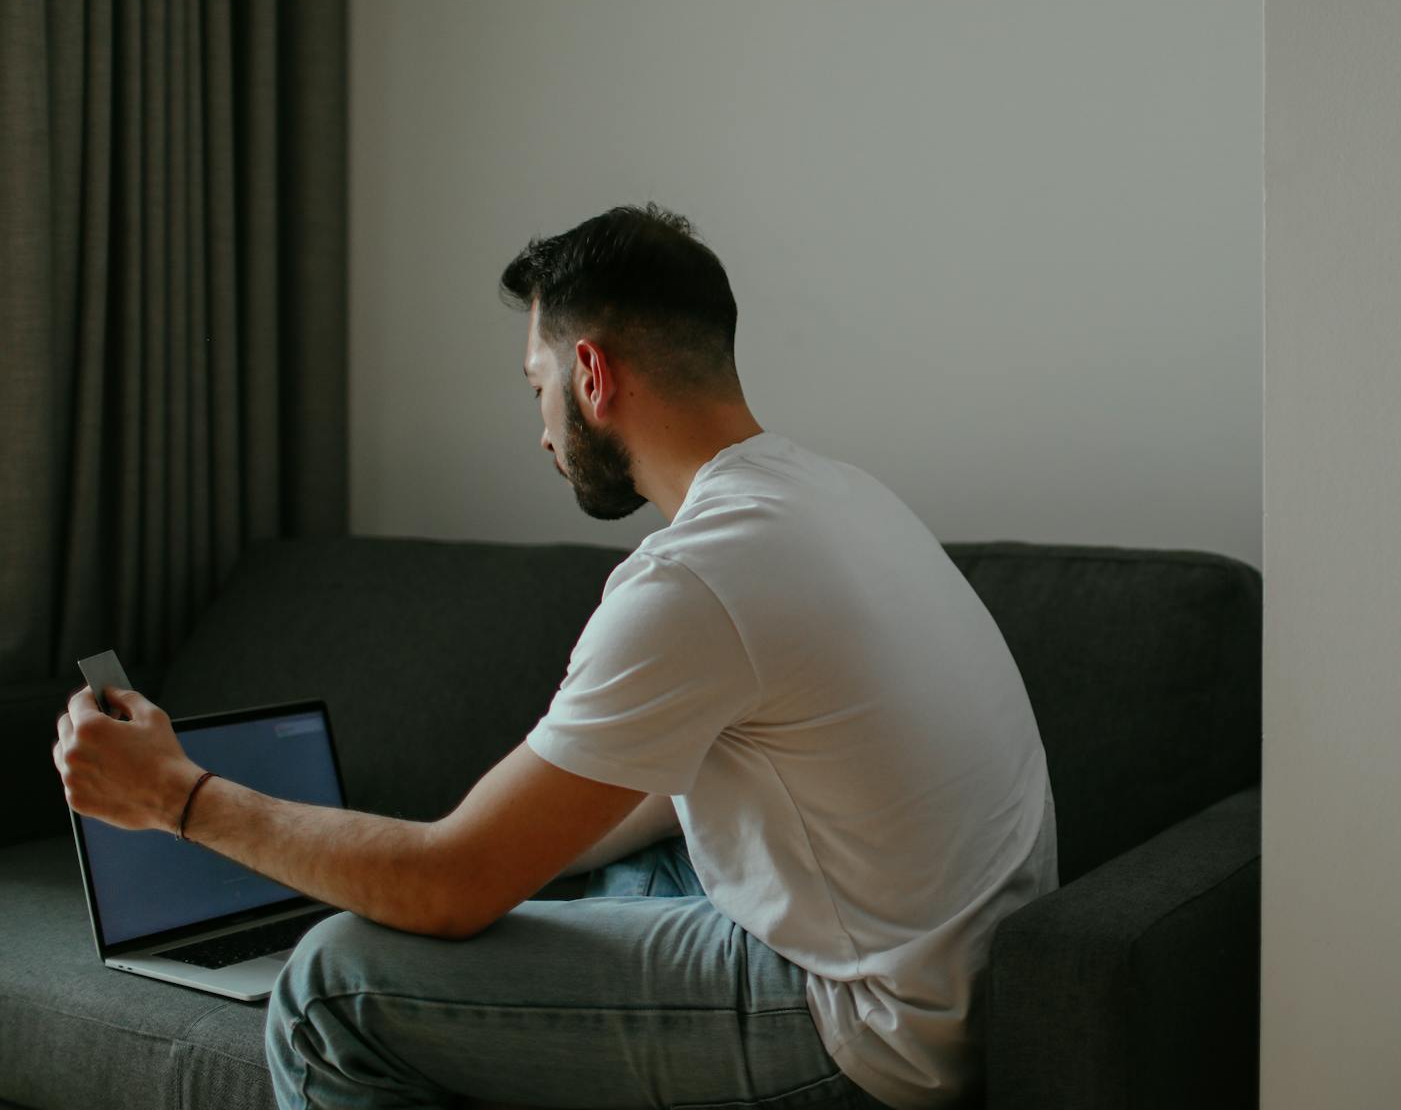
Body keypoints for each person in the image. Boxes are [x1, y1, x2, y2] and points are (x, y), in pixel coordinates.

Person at [50, 203, 1058, 1110]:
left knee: (329, 986)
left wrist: (177, 797)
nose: (539, 426)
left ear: (591, 373)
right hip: (964, 980)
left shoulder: (696, 575)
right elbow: (653, 801)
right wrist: (441, 868)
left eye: (537, 384)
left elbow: (452, 886)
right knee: (584, 882)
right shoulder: (836, 496)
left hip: (873, 1030)